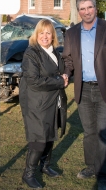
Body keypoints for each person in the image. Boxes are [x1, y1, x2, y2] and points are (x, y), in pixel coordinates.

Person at [62, 0, 106, 190]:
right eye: (82, 9)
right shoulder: (72, 33)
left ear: (95, 8)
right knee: (89, 132)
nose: (86, 12)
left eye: (89, 7)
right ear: (79, 11)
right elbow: (68, 60)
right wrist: (66, 74)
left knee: (104, 133)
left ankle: (104, 176)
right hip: (83, 90)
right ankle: (91, 166)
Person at [19, 19, 68, 189]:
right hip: (36, 102)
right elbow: (34, 81)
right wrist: (59, 81)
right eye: (42, 33)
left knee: (50, 134)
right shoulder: (31, 53)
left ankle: (45, 166)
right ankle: (28, 174)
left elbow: (62, 71)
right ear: (36, 35)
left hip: (53, 101)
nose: (45, 36)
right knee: (39, 138)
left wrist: (66, 76)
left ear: (53, 35)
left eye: (48, 33)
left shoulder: (54, 51)